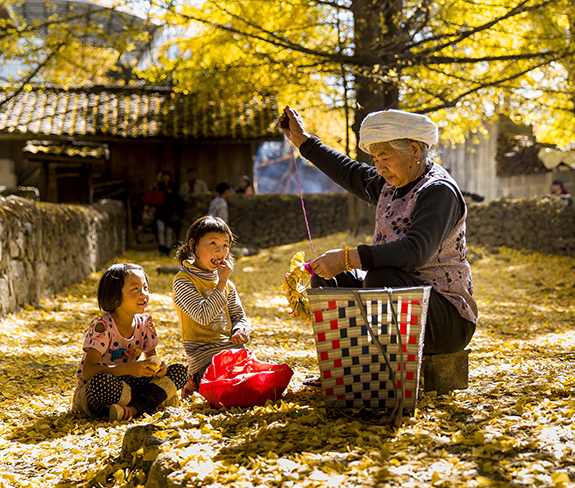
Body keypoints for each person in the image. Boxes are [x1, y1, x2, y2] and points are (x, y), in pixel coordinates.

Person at [279, 106, 476, 355]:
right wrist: (302, 141)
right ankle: (347, 368)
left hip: (446, 317)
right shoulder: (390, 184)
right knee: (328, 280)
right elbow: (347, 170)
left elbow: (415, 251)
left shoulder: (439, 191)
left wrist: (347, 258)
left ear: (414, 151)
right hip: (404, 301)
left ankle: (382, 374)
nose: (380, 168)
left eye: (386, 157)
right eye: (376, 160)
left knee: (381, 280)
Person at [71, 263, 188, 421]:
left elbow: (151, 359)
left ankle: (131, 410)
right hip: (101, 387)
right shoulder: (102, 326)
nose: (144, 294)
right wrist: (128, 369)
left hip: (130, 384)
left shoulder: (145, 323)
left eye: (145, 288)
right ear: (115, 294)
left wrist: (159, 368)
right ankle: (151, 401)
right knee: (102, 384)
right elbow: (88, 372)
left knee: (179, 371)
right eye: (135, 289)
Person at [173, 216, 250, 397]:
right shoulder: (183, 281)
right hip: (205, 359)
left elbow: (239, 316)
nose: (220, 251)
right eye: (213, 243)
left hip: (234, 352)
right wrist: (221, 282)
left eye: (225, 245)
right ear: (193, 245)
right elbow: (204, 316)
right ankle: (192, 378)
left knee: (262, 381)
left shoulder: (227, 285)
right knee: (233, 390)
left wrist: (241, 329)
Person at [152, 171, 181, 255]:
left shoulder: (174, 187)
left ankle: (167, 249)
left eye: (167, 176)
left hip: (170, 213)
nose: (165, 178)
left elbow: (177, 199)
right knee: (161, 230)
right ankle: (162, 248)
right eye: (164, 176)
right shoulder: (159, 186)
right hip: (160, 212)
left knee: (169, 231)